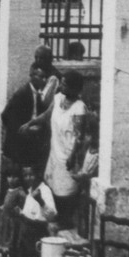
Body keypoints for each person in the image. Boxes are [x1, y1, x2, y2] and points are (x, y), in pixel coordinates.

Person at [4, 163, 59, 257]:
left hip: (37, 233)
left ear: (38, 175)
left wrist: (41, 201)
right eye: (25, 175)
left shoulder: (44, 190)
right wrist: (21, 212)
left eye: (31, 175)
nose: (28, 178)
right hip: (26, 232)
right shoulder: (29, 191)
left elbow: (52, 215)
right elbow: (30, 212)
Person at [43, 72, 88, 229]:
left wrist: (72, 155)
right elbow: (46, 115)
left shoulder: (79, 108)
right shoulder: (57, 99)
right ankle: (57, 225)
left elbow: (79, 136)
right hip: (55, 152)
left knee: (66, 193)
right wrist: (31, 123)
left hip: (67, 156)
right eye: (61, 83)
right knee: (52, 188)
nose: (61, 87)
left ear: (75, 89)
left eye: (65, 85)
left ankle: (65, 227)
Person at [4, 61, 59, 175]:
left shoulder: (38, 94)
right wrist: (22, 130)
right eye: (40, 77)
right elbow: (5, 115)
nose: (44, 80)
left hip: (31, 139)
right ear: (32, 76)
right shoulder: (22, 93)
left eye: (45, 77)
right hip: (19, 142)